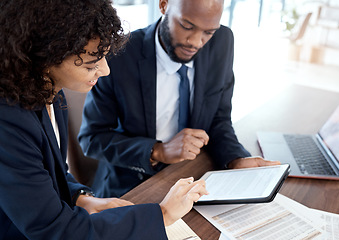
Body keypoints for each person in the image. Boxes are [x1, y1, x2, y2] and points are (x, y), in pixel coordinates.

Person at [0, 0, 208, 239]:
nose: (105, 70)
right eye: (91, 64)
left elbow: (47, 171)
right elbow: (54, 230)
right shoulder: (8, 123)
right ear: (44, 57)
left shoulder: (48, 89)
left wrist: (81, 197)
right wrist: (162, 215)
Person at [78, 0, 280, 198]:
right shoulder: (120, 54)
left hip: (193, 175)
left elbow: (218, 119)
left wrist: (236, 159)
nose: (196, 42)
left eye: (208, 32)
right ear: (163, 5)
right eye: (187, 26)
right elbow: (92, 139)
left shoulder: (222, 41)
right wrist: (157, 151)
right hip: (133, 183)